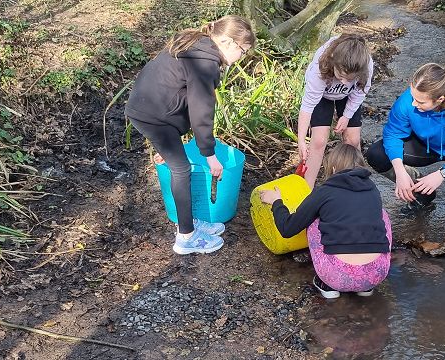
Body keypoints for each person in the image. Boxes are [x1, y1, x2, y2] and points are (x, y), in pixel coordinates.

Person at [125, 15, 255, 255]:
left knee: (177, 163)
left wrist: (164, 146)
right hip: (152, 115)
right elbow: (201, 112)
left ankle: (190, 222)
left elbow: (174, 89)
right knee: (181, 169)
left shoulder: (194, 44)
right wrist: (210, 154)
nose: (241, 58)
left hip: (150, 109)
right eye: (243, 51)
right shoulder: (204, 63)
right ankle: (186, 237)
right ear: (227, 42)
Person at [260, 144, 391, 299]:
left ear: (334, 169)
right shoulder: (373, 190)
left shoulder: (325, 191)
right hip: (376, 274)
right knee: (383, 215)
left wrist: (276, 202)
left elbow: (287, 228)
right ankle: (364, 288)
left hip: (336, 276)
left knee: (315, 219)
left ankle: (326, 285)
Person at [365, 62, 445, 215]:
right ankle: (420, 191)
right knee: (376, 154)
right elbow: (393, 134)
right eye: (413, 97)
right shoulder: (407, 102)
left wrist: (441, 174)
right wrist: (400, 172)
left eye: (420, 102)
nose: (413, 103)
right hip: (424, 145)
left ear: (440, 99)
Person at [297, 34, 374, 189]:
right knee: (318, 142)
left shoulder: (366, 67)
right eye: (341, 76)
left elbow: (359, 94)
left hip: (349, 97)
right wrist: (301, 140)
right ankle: (306, 192)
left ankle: (358, 186)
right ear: (334, 62)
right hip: (322, 95)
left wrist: (346, 116)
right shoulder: (320, 68)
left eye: (349, 79)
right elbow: (307, 107)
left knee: (352, 141)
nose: (344, 82)